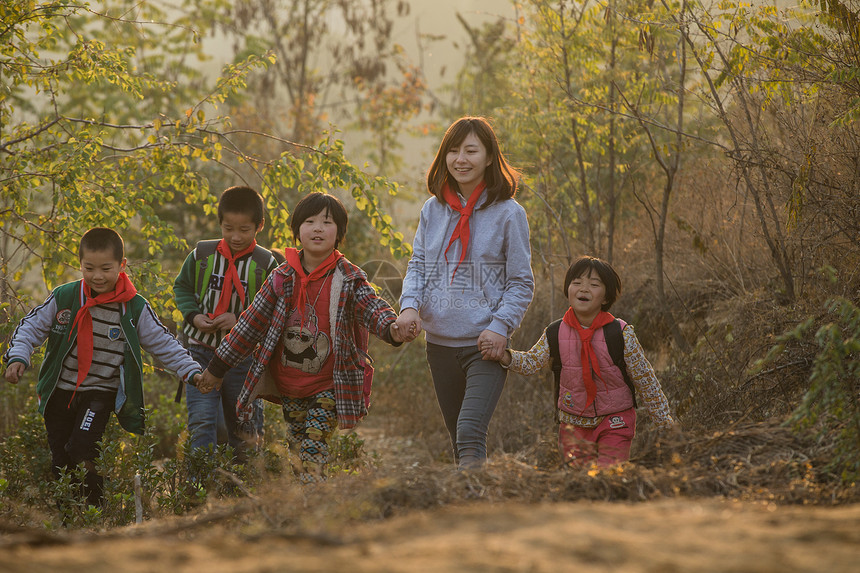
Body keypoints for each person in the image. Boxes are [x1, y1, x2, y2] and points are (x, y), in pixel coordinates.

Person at [197, 192, 408, 483]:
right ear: (297, 231)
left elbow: (372, 306)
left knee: (312, 447)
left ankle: (313, 503)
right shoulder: (281, 277)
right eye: (310, 221)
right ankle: (304, 505)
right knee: (297, 449)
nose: (318, 228)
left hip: (329, 384)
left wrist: (392, 328)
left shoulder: (348, 277)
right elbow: (250, 324)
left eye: (327, 222)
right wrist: (217, 367)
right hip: (291, 385)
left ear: (340, 233)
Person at [2, 227, 203, 509]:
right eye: (89, 268)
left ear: (121, 266)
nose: (97, 276)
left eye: (106, 269)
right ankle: (69, 519)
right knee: (61, 461)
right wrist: (18, 358)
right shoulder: (65, 297)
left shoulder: (133, 307)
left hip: (99, 393)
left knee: (82, 448)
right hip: (59, 392)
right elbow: (31, 327)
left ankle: (97, 508)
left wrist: (190, 371)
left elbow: (163, 343)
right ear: (80, 264)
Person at [394, 116, 535, 470]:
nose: (461, 159)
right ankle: (468, 513)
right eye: (453, 151)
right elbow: (419, 265)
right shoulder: (433, 209)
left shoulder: (509, 214)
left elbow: (521, 282)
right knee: (459, 441)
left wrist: (501, 326)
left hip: (484, 346)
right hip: (439, 345)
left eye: (471, 150)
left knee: (470, 431)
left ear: (489, 157)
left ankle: (476, 508)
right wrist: (409, 307)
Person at [495, 255, 676, 468]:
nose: (584, 289)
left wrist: (664, 423)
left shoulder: (621, 333)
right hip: (573, 425)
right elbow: (531, 362)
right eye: (577, 282)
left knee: (609, 474)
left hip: (615, 420)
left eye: (594, 284)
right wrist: (504, 355)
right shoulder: (555, 332)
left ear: (606, 297)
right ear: (568, 290)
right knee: (579, 482)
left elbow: (645, 379)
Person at [173, 185, 280, 462]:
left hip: (244, 358)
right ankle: (198, 488)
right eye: (228, 228)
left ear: (260, 226)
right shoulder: (201, 254)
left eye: (244, 229)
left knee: (243, 425)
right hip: (200, 352)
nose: (235, 236)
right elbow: (182, 287)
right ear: (219, 222)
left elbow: (275, 309)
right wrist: (194, 316)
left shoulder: (266, 263)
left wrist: (240, 319)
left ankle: (243, 488)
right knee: (201, 421)